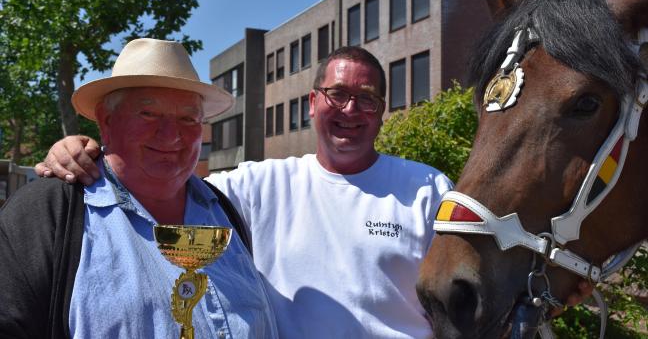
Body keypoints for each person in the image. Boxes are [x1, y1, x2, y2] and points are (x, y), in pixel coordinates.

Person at [35, 46, 592, 337]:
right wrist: (84, 151)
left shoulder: (426, 187)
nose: (350, 110)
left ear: (382, 112)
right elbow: (157, 178)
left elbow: (477, 288)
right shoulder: (253, 185)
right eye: (338, 94)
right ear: (312, 104)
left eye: (367, 99)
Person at [0, 38, 278, 339]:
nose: (172, 135)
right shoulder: (50, 211)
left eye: (188, 118)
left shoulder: (224, 210)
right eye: (148, 114)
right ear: (106, 121)